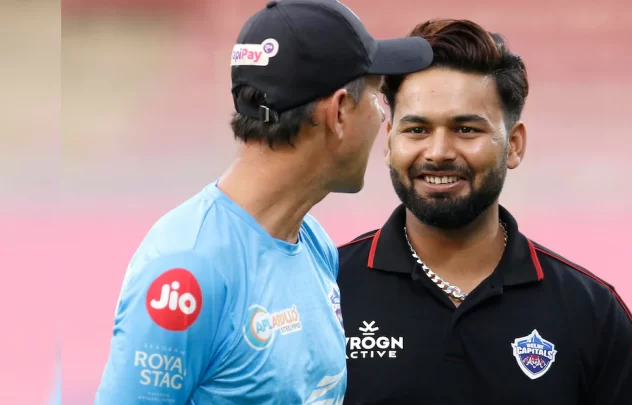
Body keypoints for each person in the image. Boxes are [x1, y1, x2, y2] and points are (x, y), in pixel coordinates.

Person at [94, 1, 433, 403]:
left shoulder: (312, 243)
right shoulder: (188, 269)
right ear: (339, 112)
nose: (383, 119)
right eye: (377, 98)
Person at [337, 18, 632, 405]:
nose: (438, 152)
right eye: (417, 130)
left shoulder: (590, 311)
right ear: (389, 141)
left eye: (467, 129)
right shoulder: (326, 291)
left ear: (515, 145)